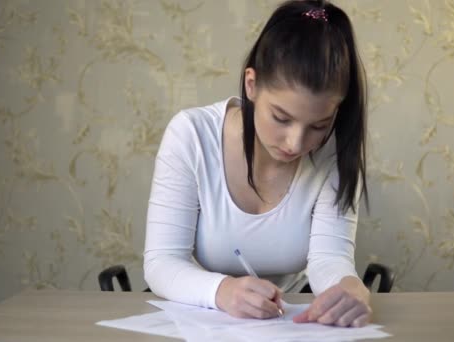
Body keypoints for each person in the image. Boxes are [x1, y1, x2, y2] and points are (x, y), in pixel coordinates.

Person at [144, 0, 372, 328]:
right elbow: (162, 262)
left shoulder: (334, 150)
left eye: (319, 125)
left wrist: (349, 286)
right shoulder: (191, 135)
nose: (296, 143)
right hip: (204, 317)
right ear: (251, 85)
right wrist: (221, 290)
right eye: (281, 117)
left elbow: (329, 259)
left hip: (289, 320)